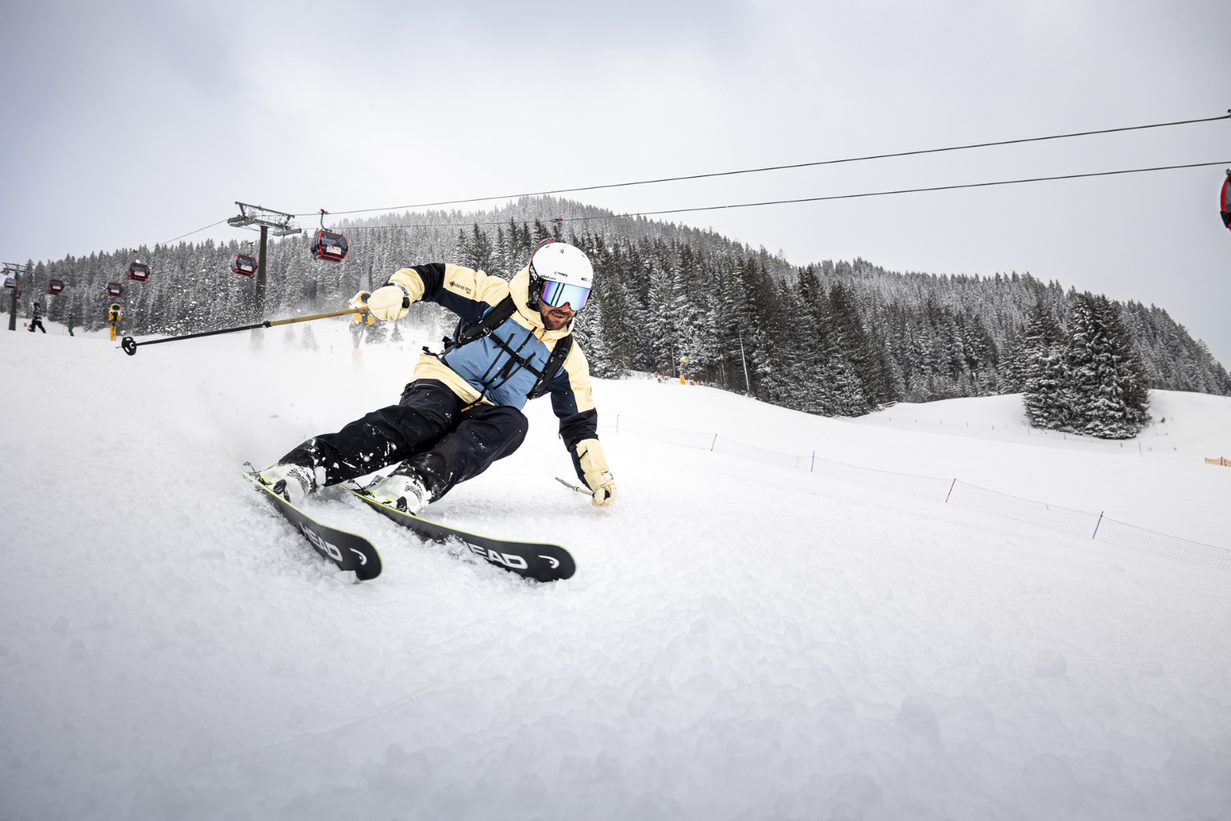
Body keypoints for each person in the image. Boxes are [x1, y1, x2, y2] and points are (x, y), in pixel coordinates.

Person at [256, 240, 617, 513]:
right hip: (444, 380)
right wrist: (398, 291)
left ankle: (414, 480)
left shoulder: (568, 357)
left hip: (490, 411)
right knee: (424, 423)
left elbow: (580, 424)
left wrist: (598, 477)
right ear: (537, 286)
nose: (566, 309)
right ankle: (309, 465)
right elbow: (433, 276)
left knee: (513, 423)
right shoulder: (496, 295)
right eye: (558, 293)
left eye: (578, 298)